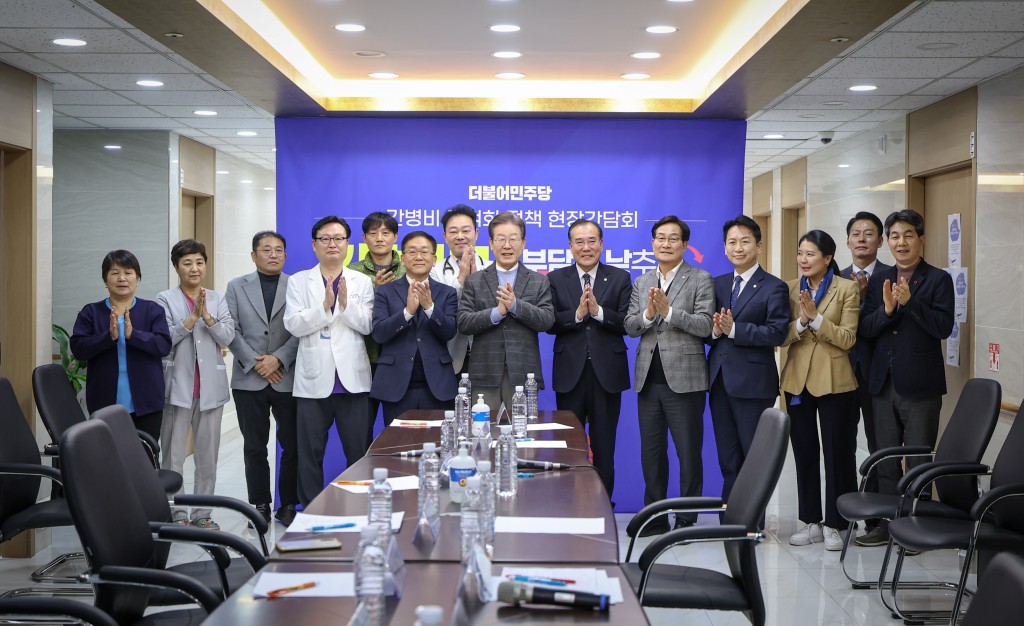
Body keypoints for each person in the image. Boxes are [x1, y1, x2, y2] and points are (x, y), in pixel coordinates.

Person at [857, 209, 954, 546]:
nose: (901, 242)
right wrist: (887, 310)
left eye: (908, 235)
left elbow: (943, 327)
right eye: (895, 236)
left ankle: (917, 528)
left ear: (921, 239)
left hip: (921, 387)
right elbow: (865, 329)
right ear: (888, 242)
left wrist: (910, 303)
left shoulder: (938, 279)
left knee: (918, 460)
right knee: (885, 458)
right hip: (882, 383)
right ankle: (886, 525)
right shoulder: (880, 279)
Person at [624, 216, 714, 536]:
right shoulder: (642, 281)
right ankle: (655, 516)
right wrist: (649, 314)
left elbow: (706, 325)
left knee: (688, 452)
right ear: (652, 243)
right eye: (660, 238)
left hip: (686, 380)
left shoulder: (700, 278)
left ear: (684, 245)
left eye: (673, 239)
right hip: (648, 379)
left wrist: (670, 313)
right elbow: (630, 326)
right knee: (651, 453)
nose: (666, 244)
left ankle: (686, 519)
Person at [284, 215, 374, 507]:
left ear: (348, 243)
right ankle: (311, 509)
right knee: (310, 453)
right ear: (314, 244)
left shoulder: (361, 281)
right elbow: (293, 325)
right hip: (313, 382)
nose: (332, 244)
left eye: (338, 238)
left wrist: (345, 305)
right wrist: (324, 306)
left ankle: (357, 507)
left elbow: (367, 326)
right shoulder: (299, 281)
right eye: (325, 239)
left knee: (358, 453)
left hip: (352, 382)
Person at [779, 230, 859, 551]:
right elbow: (781, 336)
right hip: (797, 381)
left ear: (827, 258)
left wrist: (816, 319)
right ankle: (810, 521)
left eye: (810, 254)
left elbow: (848, 339)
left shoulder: (847, 288)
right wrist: (800, 323)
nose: (803, 259)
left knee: (837, 453)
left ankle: (837, 523)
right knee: (804, 451)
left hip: (835, 381)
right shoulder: (789, 289)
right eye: (800, 253)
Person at [706, 215, 789, 504]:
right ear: (724, 248)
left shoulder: (774, 287)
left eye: (744, 242)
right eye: (732, 242)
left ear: (759, 246)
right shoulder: (717, 284)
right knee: (727, 457)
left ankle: (752, 519)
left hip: (753, 385)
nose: (738, 248)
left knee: (753, 457)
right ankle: (729, 516)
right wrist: (715, 331)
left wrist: (735, 330)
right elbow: (708, 330)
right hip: (719, 382)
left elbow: (777, 333)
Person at [546, 219, 631, 499]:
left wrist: (599, 312)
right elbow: (549, 322)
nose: (586, 247)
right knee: (569, 446)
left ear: (601, 244)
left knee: (605, 446)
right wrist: (578, 315)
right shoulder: (555, 279)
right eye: (579, 242)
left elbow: (627, 323)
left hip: (607, 374)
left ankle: (603, 505)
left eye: (592, 241)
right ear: (570, 246)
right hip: (569, 372)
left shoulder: (619, 277)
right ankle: (569, 504)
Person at [157, 239, 235, 529]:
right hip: (177, 387)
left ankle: (202, 513)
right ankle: (175, 512)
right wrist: (191, 319)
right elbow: (163, 340)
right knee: (173, 456)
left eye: (199, 262)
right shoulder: (164, 299)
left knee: (207, 456)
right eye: (187, 263)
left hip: (210, 389)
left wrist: (208, 318)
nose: (194, 268)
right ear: (176, 267)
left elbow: (228, 337)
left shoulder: (217, 299)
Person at [225, 231, 300, 527]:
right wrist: (257, 363)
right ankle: (260, 504)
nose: (273, 254)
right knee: (254, 446)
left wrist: (278, 358)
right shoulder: (236, 286)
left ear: (285, 255)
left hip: (287, 377)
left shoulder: (297, 285)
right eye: (266, 249)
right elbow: (230, 328)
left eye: (279, 250)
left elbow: (303, 329)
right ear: (253, 255)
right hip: (249, 378)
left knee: (292, 444)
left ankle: (289, 504)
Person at [457, 211, 554, 410]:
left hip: (524, 375)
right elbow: (464, 322)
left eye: (513, 239)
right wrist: (497, 312)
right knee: (482, 428)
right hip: (484, 374)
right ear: (491, 244)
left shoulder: (539, 280)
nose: (507, 245)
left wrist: (515, 306)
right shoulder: (474, 280)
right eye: (501, 239)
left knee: (524, 429)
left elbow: (547, 320)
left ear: (523, 243)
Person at [70, 250, 171, 441]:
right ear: (105, 279)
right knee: (107, 455)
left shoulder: (152, 310)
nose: (122, 278)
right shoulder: (91, 312)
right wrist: (108, 337)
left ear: (137, 278)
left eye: (128, 273)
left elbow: (164, 346)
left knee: (145, 454)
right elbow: (79, 349)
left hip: (147, 403)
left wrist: (134, 335)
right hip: (104, 403)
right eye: (115, 273)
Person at [840, 211, 891, 546]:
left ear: (880, 240)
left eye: (869, 233)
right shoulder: (834, 278)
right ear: (847, 241)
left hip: (879, 374)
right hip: (840, 373)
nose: (861, 239)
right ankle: (843, 516)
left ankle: (878, 520)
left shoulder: (891, 276)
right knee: (841, 445)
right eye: (856, 233)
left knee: (879, 447)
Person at [371, 231, 458, 421]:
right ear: (403, 259)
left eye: (424, 252)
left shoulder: (447, 293)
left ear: (434, 260)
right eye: (412, 252)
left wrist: (430, 308)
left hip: (437, 385)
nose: (419, 257)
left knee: (438, 439)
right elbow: (378, 333)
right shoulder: (385, 291)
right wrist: (407, 313)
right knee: (398, 439)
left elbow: (449, 331)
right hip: (395, 384)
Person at [348, 212, 405, 445]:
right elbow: (348, 312)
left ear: (395, 237)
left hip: (400, 360)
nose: (379, 238)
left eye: (385, 233)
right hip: (363, 359)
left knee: (401, 433)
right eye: (373, 233)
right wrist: (377, 293)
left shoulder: (408, 269)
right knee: (360, 432)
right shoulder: (352, 272)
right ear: (364, 238)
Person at [430, 204, 491, 374]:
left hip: (486, 353)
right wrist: (461, 280)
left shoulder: (491, 268)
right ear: (445, 236)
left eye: (465, 231)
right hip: (449, 354)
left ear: (476, 233)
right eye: (453, 231)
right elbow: (437, 310)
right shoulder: (435, 270)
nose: (460, 236)